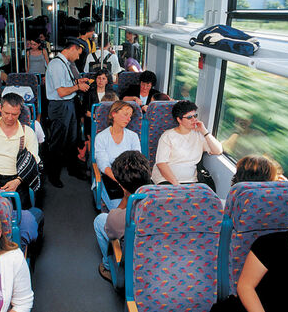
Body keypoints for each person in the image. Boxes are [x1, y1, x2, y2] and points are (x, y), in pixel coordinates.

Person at [93, 151, 152, 281]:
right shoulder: (168, 199)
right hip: (160, 260)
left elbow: (112, 228)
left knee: (99, 221)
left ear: (121, 186)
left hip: (136, 266)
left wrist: (125, 197)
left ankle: (109, 267)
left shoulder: (120, 217)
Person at [0, 93, 39, 209]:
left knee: (22, 215)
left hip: (18, 178)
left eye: (14, 114)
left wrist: (17, 181)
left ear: (20, 113)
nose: (9, 118)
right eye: (6, 113)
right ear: (0, 109)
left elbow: (33, 163)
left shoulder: (28, 133)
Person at [44, 41, 91, 188]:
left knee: (72, 139)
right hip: (59, 106)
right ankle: (53, 175)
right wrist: (78, 87)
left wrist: (78, 81)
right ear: (72, 48)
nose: (77, 57)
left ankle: (73, 169)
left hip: (69, 105)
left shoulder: (64, 63)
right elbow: (61, 91)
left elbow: (65, 84)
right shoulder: (57, 65)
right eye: (78, 54)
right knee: (58, 141)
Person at [152, 100, 223, 185]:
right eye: (189, 117)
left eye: (195, 116)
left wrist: (204, 131)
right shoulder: (167, 136)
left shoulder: (199, 135)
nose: (194, 120)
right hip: (165, 179)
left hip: (190, 181)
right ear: (179, 120)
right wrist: (177, 185)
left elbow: (218, 150)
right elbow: (161, 164)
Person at [94, 101, 142, 199]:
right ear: (114, 114)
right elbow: (104, 165)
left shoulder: (133, 136)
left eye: (130, 116)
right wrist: (121, 183)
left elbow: (137, 161)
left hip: (130, 176)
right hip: (110, 176)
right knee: (121, 209)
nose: (128, 119)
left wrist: (128, 182)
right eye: (125, 114)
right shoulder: (101, 137)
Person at [82, 68, 114, 142]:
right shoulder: (89, 93)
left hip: (107, 121)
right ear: (95, 79)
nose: (101, 81)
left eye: (103, 78)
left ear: (107, 81)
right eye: (99, 78)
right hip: (92, 121)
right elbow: (85, 111)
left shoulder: (111, 94)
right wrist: (96, 116)